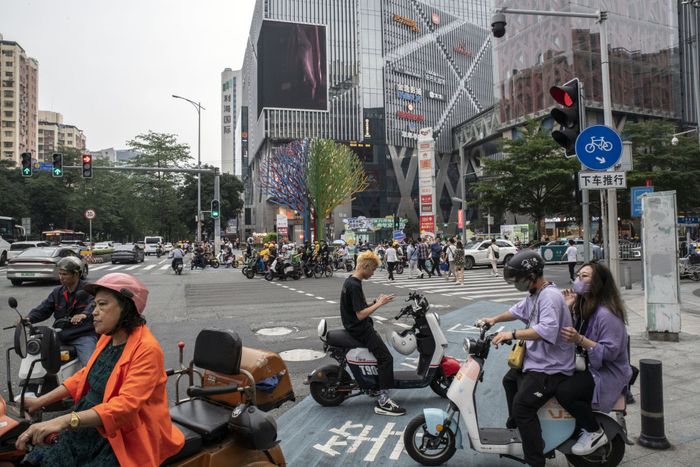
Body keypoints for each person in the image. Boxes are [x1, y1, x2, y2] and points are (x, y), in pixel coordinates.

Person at [16, 273, 184, 466]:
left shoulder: (147, 349)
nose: (94, 312)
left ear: (126, 308)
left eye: (102, 305)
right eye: (94, 305)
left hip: (125, 436)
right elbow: (84, 375)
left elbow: (125, 407)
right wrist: (40, 401)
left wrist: (63, 421)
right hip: (89, 426)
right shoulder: (107, 338)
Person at [480, 251, 574, 467]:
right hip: (537, 361)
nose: (516, 283)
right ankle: (520, 428)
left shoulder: (549, 297)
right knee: (509, 380)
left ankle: (535, 459)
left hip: (552, 368)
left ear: (532, 275)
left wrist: (511, 334)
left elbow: (546, 330)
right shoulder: (535, 294)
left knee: (523, 408)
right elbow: (516, 311)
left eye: (519, 278)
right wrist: (493, 319)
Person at [555, 262, 632, 456]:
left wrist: (580, 339)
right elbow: (567, 333)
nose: (578, 280)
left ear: (598, 282)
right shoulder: (584, 306)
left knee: (565, 392)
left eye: (585, 277)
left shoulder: (606, 314)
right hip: (588, 364)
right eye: (578, 275)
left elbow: (610, 353)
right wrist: (568, 306)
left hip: (606, 371)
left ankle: (593, 431)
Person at [340, 251, 404, 416]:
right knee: (386, 358)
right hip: (360, 329)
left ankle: (375, 387)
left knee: (379, 356)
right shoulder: (354, 285)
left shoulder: (351, 280)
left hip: (355, 326)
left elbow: (358, 306)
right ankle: (383, 400)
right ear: (365, 266)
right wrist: (380, 304)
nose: (373, 272)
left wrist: (375, 302)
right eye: (373, 269)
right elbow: (360, 314)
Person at [26, 257, 98, 366]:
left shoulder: (88, 289)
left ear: (76, 274)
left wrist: (84, 314)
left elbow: (94, 303)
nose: (61, 277)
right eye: (60, 274)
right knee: (38, 356)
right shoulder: (57, 292)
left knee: (90, 366)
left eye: (64, 274)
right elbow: (44, 308)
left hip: (83, 335)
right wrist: (28, 318)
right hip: (61, 334)